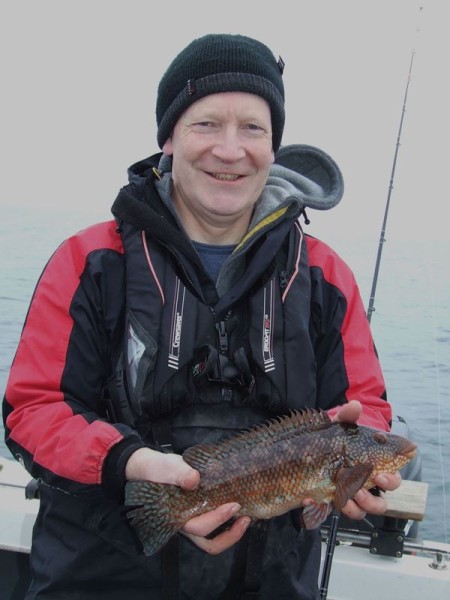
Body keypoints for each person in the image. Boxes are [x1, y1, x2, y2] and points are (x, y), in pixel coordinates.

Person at [3, 33, 401, 600]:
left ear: (275, 144)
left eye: (253, 128)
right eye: (206, 124)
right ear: (169, 136)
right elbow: (34, 411)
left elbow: (369, 410)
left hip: (271, 582)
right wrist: (130, 462)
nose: (230, 149)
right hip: (101, 577)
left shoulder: (324, 275)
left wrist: (369, 457)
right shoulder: (89, 261)